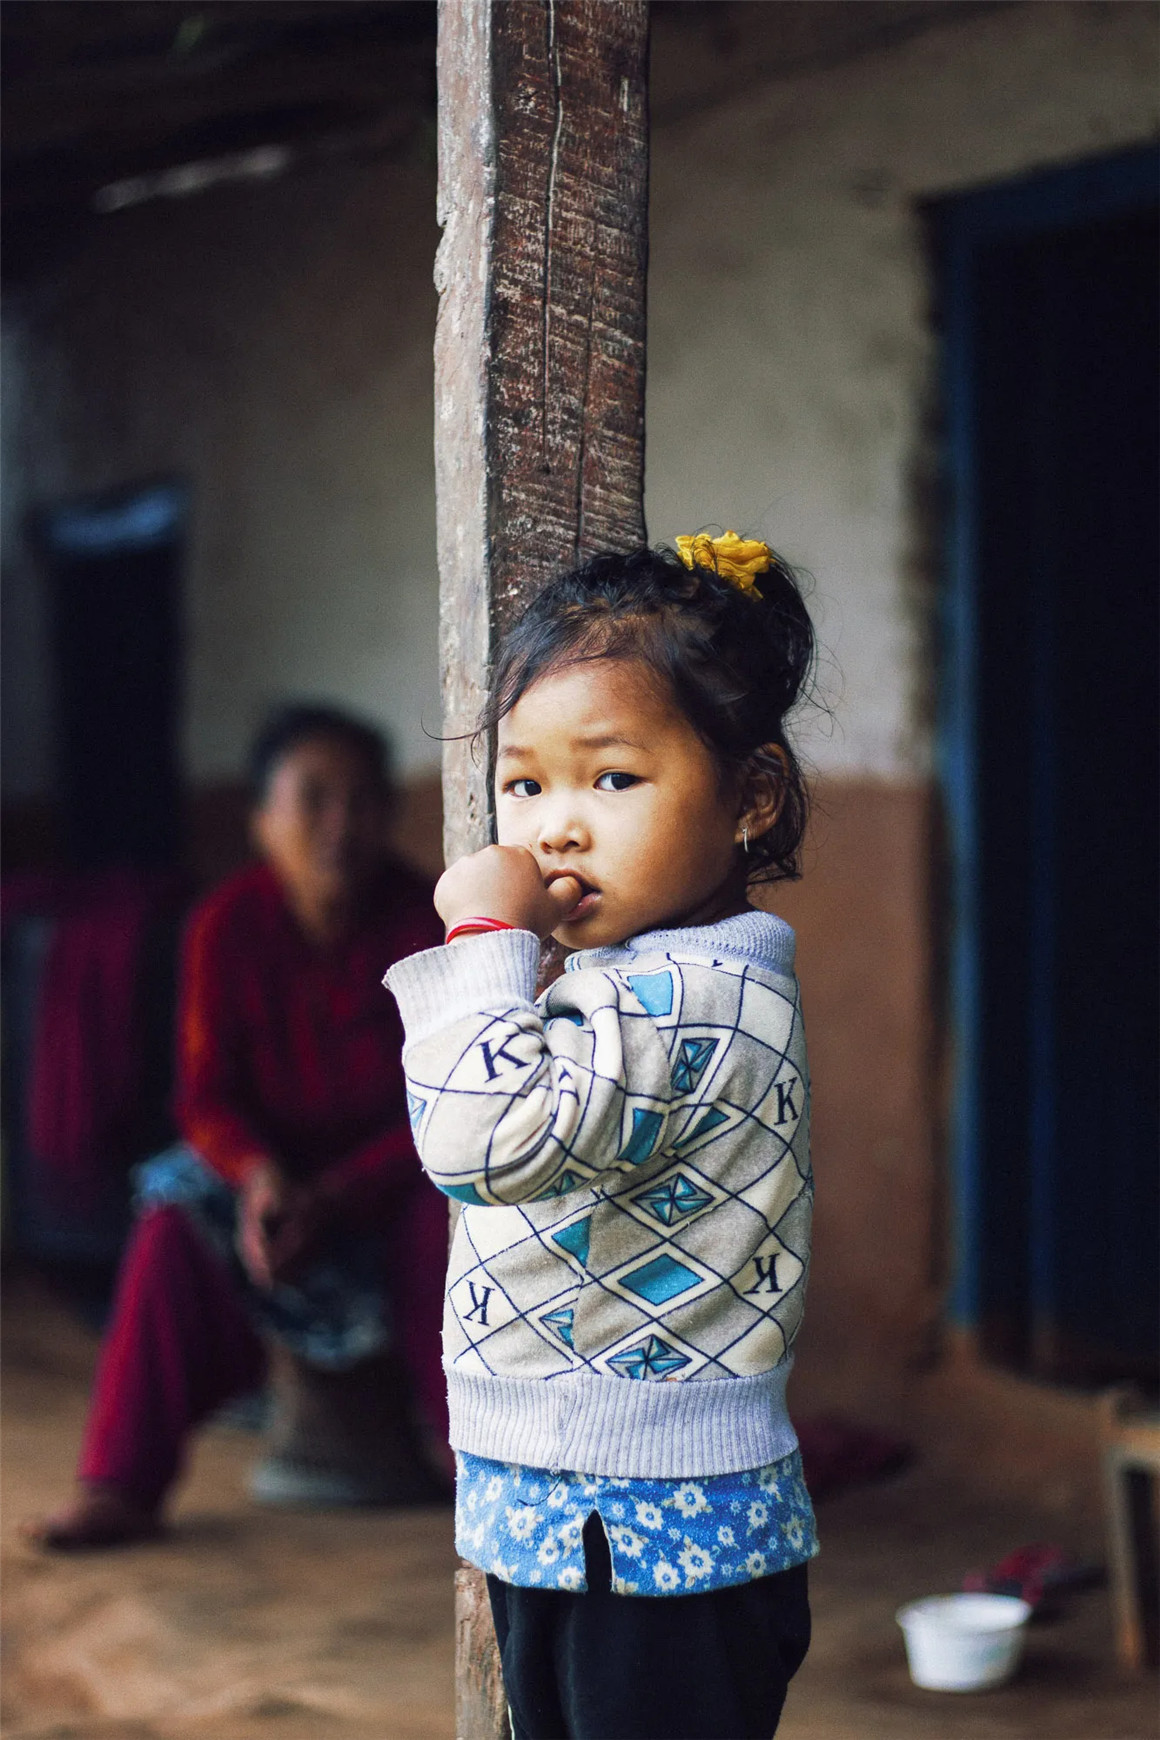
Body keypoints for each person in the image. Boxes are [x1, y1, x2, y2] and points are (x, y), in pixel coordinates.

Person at [384, 535, 819, 1740]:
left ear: (752, 798)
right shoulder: (625, 983)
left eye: (612, 779)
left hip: (658, 1533)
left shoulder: (690, 998)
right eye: (524, 786)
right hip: (573, 1510)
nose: (556, 829)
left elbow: (480, 1140)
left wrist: (484, 938)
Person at [27, 705, 447, 1549]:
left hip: (394, 1182)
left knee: (458, 1209)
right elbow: (203, 1100)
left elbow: (449, 1106)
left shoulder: (426, 925)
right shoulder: (226, 924)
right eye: (313, 800)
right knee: (172, 1213)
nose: (341, 826)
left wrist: (337, 1194)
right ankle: (120, 1485)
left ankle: (467, 1459)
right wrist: (261, 1180)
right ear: (262, 821)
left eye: (363, 800)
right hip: (277, 1188)